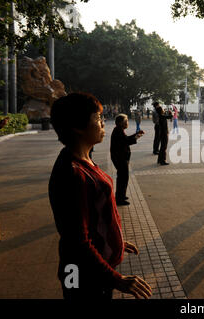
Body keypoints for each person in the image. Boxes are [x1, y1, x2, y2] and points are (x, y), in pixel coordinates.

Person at [49, 92, 152, 300]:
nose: (103, 123)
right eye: (97, 118)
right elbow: (77, 242)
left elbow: (94, 216)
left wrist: (116, 240)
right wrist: (117, 279)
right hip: (83, 275)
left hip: (91, 270)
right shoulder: (73, 173)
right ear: (77, 127)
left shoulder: (82, 158)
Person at [111, 114, 144, 206]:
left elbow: (126, 139)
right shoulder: (118, 131)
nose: (127, 123)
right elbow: (127, 141)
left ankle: (121, 195)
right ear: (121, 123)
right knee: (123, 177)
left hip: (120, 157)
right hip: (120, 158)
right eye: (126, 121)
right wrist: (137, 136)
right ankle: (119, 198)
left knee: (123, 177)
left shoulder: (119, 130)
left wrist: (136, 135)